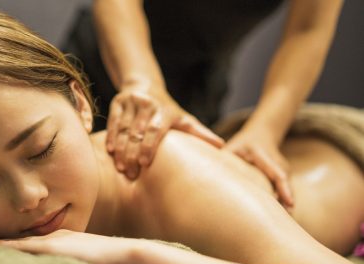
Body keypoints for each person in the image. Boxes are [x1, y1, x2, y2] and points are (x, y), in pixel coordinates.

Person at [0, 5, 363, 264]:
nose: (29, 197)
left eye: (40, 149)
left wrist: (133, 255)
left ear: (82, 105)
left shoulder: (177, 174)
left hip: (342, 148)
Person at [64, 0, 344, 206]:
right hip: (106, 56)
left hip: (199, 82)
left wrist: (265, 131)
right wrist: (141, 81)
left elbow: (308, 30)